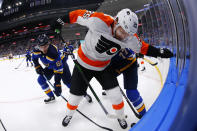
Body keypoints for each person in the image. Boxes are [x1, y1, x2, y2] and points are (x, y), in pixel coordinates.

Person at [55, 8, 173, 129]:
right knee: (75, 97)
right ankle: (69, 114)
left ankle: (120, 117)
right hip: (83, 65)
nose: (124, 36)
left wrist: (158, 51)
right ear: (116, 22)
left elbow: (142, 47)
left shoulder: (129, 36)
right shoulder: (99, 20)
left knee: (116, 96)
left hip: (103, 67)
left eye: (128, 34)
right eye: (123, 31)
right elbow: (78, 15)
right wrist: (61, 20)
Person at [32, 34, 92, 104]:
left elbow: (58, 70)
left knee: (68, 83)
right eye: (41, 47)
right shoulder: (36, 50)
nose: (43, 49)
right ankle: (51, 96)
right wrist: (37, 66)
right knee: (41, 80)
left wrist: (57, 84)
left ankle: (83, 93)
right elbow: (34, 59)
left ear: (49, 44)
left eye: (45, 46)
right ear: (38, 46)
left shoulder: (53, 53)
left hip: (61, 65)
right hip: (50, 67)